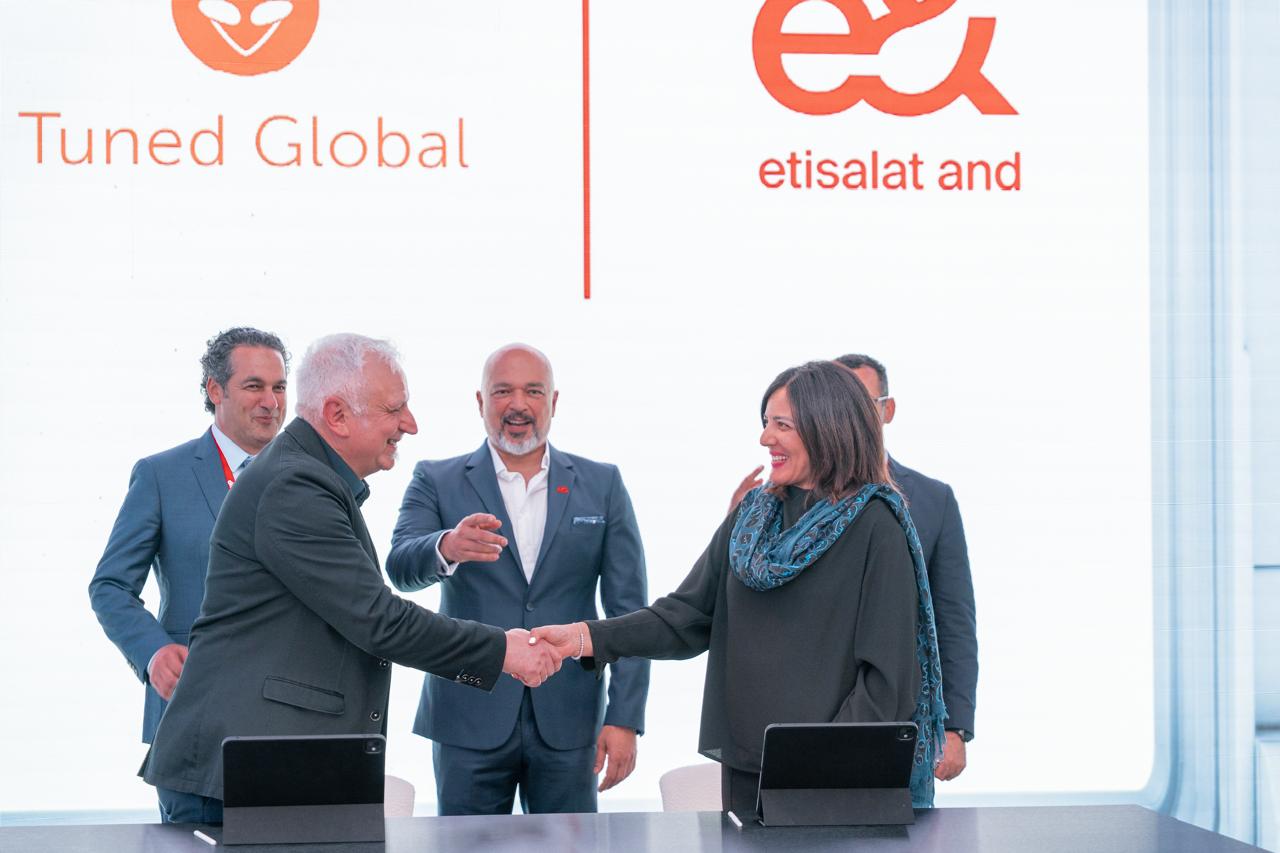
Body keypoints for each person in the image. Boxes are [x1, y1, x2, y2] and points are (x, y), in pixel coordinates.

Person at [141, 334, 562, 825]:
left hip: (267, 766)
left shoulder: (308, 478)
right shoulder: (294, 485)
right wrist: (503, 652)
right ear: (337, 415)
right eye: (394, 410)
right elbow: (379, 620)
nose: (410, 424)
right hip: (235, 775)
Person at [536, 361, 946, 817]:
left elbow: (887, 684)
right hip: (749, 769)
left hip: (833, 781)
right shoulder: (753, 514)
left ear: (827, 428)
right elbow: (685, 617)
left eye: (782, 425)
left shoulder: (877, 527)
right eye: (766, 422)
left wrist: (815, 766)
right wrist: (583, 637)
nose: (766, 438)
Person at [386, 343, 649, 815]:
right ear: (480, 401)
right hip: (467, 711)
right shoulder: (436, 479)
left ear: (554, 401)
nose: (518, 404)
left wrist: (625, 717)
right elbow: (400, 568)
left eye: (533, 391)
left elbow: (628, 612)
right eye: (503, 391)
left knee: (571, 849)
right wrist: (446, 546)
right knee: (466, 848)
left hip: (570, 719)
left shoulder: (602, 483)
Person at [733, 354, 979, 780]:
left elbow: (953, 618)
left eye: (861, 400)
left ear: (887, 410)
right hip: (802, 717)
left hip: (893, 720)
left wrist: (954, 726)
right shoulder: (776, 496)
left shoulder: (929, 499)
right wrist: (738, 527)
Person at [89, 327, 289, 757]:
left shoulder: (309, 479)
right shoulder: (161, 476)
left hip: (292, 721)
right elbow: (110, 587)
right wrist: (154, 653)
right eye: (254, 386)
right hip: (193, 716)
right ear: (215, 390)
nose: (271, 402)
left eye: (279, 387)